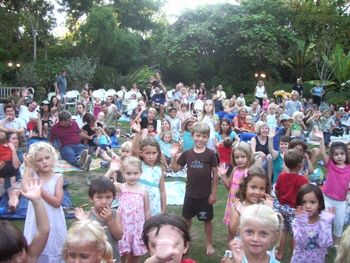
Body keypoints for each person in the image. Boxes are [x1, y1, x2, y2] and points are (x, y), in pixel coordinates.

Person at [171, 122, 218, 256]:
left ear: (207, 138)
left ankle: (208, 243)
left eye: (204, 136)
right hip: (190, 194)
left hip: (205, 195)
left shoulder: (210, 154)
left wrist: (214, 193)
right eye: (198, 135)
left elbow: (215, 174)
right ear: (192, 136)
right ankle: (185, 242)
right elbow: (175, 169)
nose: (200, 139)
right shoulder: (187, 154)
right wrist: (174, 155)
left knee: (207, 220)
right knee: (186, 219)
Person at [23, 142, 67, 263]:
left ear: (53, 157)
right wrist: (27, 166)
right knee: (37, 240)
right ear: (34, 163)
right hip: (36, 217)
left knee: (53, 243)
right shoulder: (33, 175)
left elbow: (57, 202)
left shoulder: (58, 177)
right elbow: (24, 187)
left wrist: (40, 190)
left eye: (47, 158)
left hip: (53, 217)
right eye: (39, 160)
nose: (44, 162)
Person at [0, 178, 50, 263]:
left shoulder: (29, 258)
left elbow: (43, 230)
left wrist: (37, 201)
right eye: (9, 259)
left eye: (20, 253)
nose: (18, 261)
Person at [74, 177, 123, 262]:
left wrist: (110, 220)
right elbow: (83, 241)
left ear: (114, 198)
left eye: (108, 197)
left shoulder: (116, 214)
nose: (104, 202)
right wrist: (84, 222)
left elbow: (119, 236)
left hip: (112, 257)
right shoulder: (88, 217)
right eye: (99, 197)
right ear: (91, 198)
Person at [315, 131, 350, 246]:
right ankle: (323, 243)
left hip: (341, 202)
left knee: (339, 225)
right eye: (336, 154)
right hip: (327, 199)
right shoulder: (330, 165)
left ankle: (337, 246)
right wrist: (321, 140)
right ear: (332, 156)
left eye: (342, 154)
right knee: (324, 222)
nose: (339, 156)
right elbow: (323, 153)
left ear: (346, 154)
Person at [114, 156, 151, 263]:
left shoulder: (143, 190)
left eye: (135, 173)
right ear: (123, 172)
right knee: (119, 256)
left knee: (135, 256)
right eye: (128, 173)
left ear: (140, 173)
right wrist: (111, 170)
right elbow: (103, 185)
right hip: (122, 229)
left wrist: (148, 227)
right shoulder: (121, 187)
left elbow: (147, 210)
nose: (132, 176)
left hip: (137, 229)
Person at [274, 149, 309, 260]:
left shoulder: (281, 176)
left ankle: (279, 253)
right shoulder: (302, 180)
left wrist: (280, 201)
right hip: (295, 210)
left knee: (283, 231)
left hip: (282, 207)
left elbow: (277, 191)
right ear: (300, 165)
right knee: (295, 233)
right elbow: (305, 196)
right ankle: (295, 255)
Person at [291, 184, 335, 263]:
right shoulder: (297, 222)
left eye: (312, 202)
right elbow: (300, 242)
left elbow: (325, 243)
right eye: (304, 202)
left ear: (319, 204)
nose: (308, 206)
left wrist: (326, 223)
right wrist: (302, 222)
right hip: (299, 260)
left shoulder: (324, 222)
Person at [219, 142, 254, 240]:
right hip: (232, 204)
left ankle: (243, 253)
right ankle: (230, 252)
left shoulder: (250, 172)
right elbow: (229, 187)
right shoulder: (235, 170)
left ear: (249, 156)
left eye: (243, 156)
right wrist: (223, 175)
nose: (239, 160)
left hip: (242, 205)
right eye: (237, 157)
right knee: (231, 229)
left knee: (243, 230)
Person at [132, 121, 166, 216]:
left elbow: (162, 191)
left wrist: (163, 208)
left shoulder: (159, 169)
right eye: (147, 153)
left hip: (154, 205)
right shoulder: (139, 165)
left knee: (152, 228)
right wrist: (137, 133)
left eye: (154, 153)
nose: (151, 157)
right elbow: (134, 151)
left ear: (158, 153)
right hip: (138, 204)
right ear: (141, 153)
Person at [229, 167, 272, 237]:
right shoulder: (238, 206)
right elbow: (234, 232)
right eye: (253, 187)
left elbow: (271, 231)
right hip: (242, 245)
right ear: (245, 186)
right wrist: (241, 214)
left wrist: (269, 211)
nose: (257, 192)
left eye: (262, 188)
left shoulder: (264, 206)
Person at [0, 131, 21, 197]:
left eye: (17, 138)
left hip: (13, 180)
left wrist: (13, 150)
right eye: (14, 139)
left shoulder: (19, 152)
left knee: (12, 194)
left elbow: (16, 166)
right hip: (3, 179)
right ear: (7, 141)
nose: (16, 140)